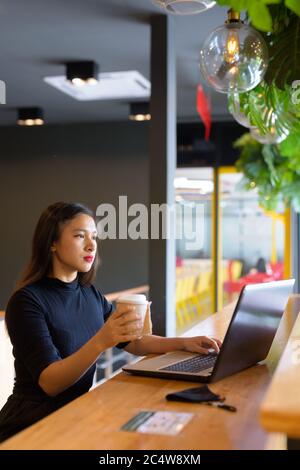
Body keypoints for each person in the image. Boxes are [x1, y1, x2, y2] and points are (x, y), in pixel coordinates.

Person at [0, 202, 221, 442]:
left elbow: (132, 343)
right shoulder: (26, 302)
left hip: (74, 415)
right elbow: (50, 382)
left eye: (94, 236)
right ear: (52, 242)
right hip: (30, 425)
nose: (91, 244)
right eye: (79, 236)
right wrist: (102, 341)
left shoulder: (89, 293)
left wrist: (183, 343)